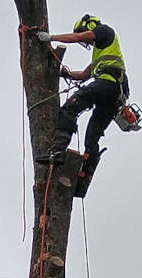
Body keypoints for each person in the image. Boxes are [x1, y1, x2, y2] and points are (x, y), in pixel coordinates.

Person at [38, 14, 128, 176]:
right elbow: (83, 75)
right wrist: (66, 74)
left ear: (89, 25)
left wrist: (51, 38)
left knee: (71, 106)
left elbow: (77, 36)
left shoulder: (104, 31)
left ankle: (57, 151)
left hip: (107, 85)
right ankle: (83, 176)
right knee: (92, 137)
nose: (86, 42)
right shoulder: (103, 53)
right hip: (114, 94)